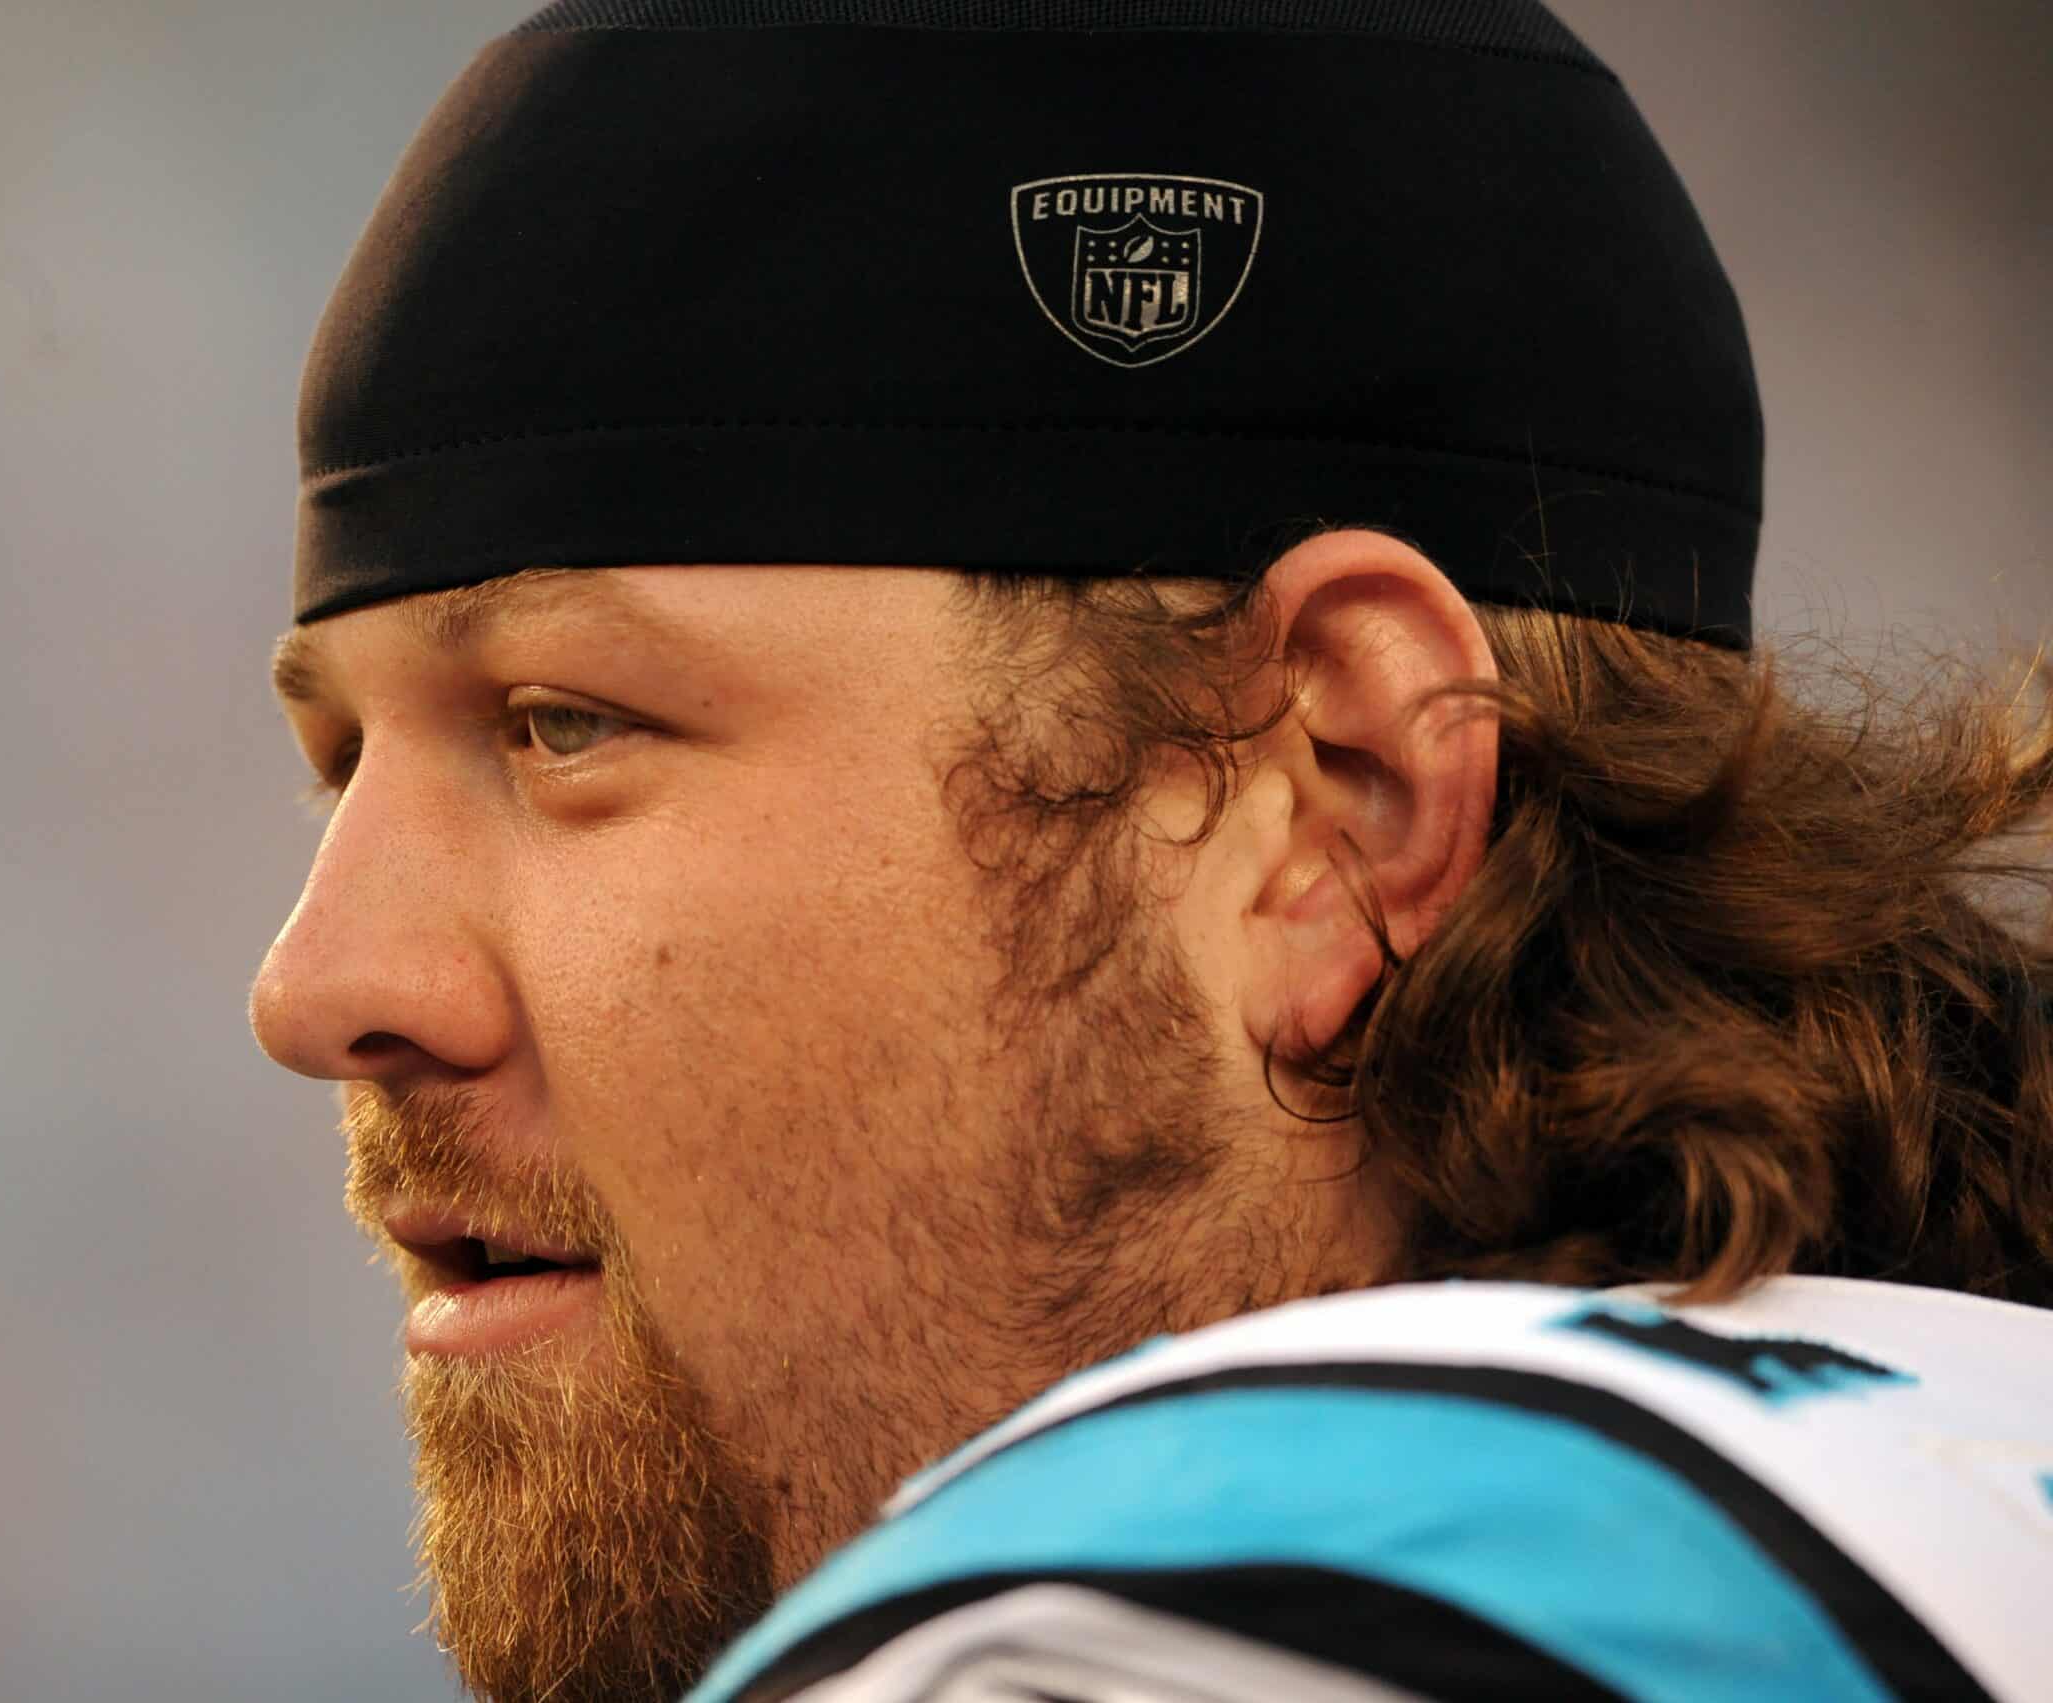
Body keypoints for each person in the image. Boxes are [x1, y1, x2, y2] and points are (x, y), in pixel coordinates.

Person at [248, 2, 2053, 1698]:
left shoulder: (1147, 1639)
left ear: (1337, 798)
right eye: (340, 758)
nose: (317, 985)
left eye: (565, 723)